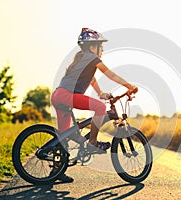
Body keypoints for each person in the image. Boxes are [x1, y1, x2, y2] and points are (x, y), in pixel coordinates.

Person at [50, 28, 137, 182]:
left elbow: (91, 79)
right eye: (100, 47)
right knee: (101, 108)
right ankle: (93, 142)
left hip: (58, 96)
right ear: (92, 47)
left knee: (63, 137)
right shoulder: (91, 57)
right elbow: (110, 74)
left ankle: (57, 171)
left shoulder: (82, 59)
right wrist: (129, 86)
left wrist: (101, 93)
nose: (102, 50)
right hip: (67, 96)